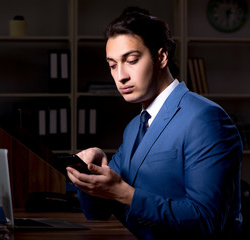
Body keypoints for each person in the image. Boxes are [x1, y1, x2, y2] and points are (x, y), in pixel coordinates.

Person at [66, 10, 243, 240]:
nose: (121, 76)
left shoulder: (206, 119)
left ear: (161, 57)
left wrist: (126, 194)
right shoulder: (133, 128)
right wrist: (89, 174)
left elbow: (207, 221)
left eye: (131, 61)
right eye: (112, 65)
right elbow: (97, 212)